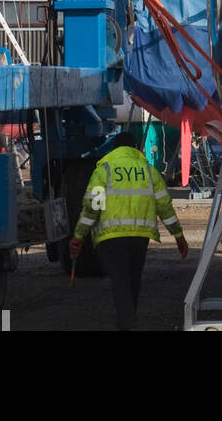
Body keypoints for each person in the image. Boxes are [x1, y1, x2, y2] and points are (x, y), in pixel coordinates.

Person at [69, 127, 189, 330]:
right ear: (135, 148)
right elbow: (164, 206)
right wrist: (178, 235)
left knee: (120, 281)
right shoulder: (148, 171)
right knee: (133, 279)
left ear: (114, 150)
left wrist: (79, 236)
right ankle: (126, 321)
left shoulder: (104, 170)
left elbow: (92, 208)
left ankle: (128, 323)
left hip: (111, 237)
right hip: (139, 237)